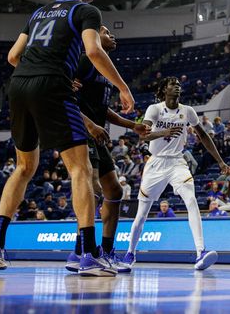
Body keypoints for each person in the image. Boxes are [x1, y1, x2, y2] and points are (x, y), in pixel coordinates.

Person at [0, 0, 134, 276]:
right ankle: (89, 254)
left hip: (18, 84)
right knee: (80, 168)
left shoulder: (38, 14)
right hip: (52, 85)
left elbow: (12, 56)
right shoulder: (86, 11)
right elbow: (92, 51)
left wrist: (35, 69)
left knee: (24, 168)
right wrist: (123, 86)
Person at [124, 77, 228, 271]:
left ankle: (201, 252)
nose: (177, 86)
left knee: (191, 200)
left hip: (177, 162)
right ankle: (131, 252)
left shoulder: (188, 111)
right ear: (164, 89)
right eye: (173, 84)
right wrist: (163, 133)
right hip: (156, 163)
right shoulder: (154, 109)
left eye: (179, 84)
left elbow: (203, 136)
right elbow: (143, 134)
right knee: (141, 214)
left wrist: (220, 161)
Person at [66, 25, 146, 274]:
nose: (112, 35)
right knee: (91, 187)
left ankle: (107, 250)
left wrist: (132, 125)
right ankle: (81, 251)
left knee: (115, 190)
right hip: (80, 130)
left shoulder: (105, 69)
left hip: (97, 133)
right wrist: (89, 125)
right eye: (106, 32)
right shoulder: (83, 61)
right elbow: (64, 97)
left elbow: (102, 109)